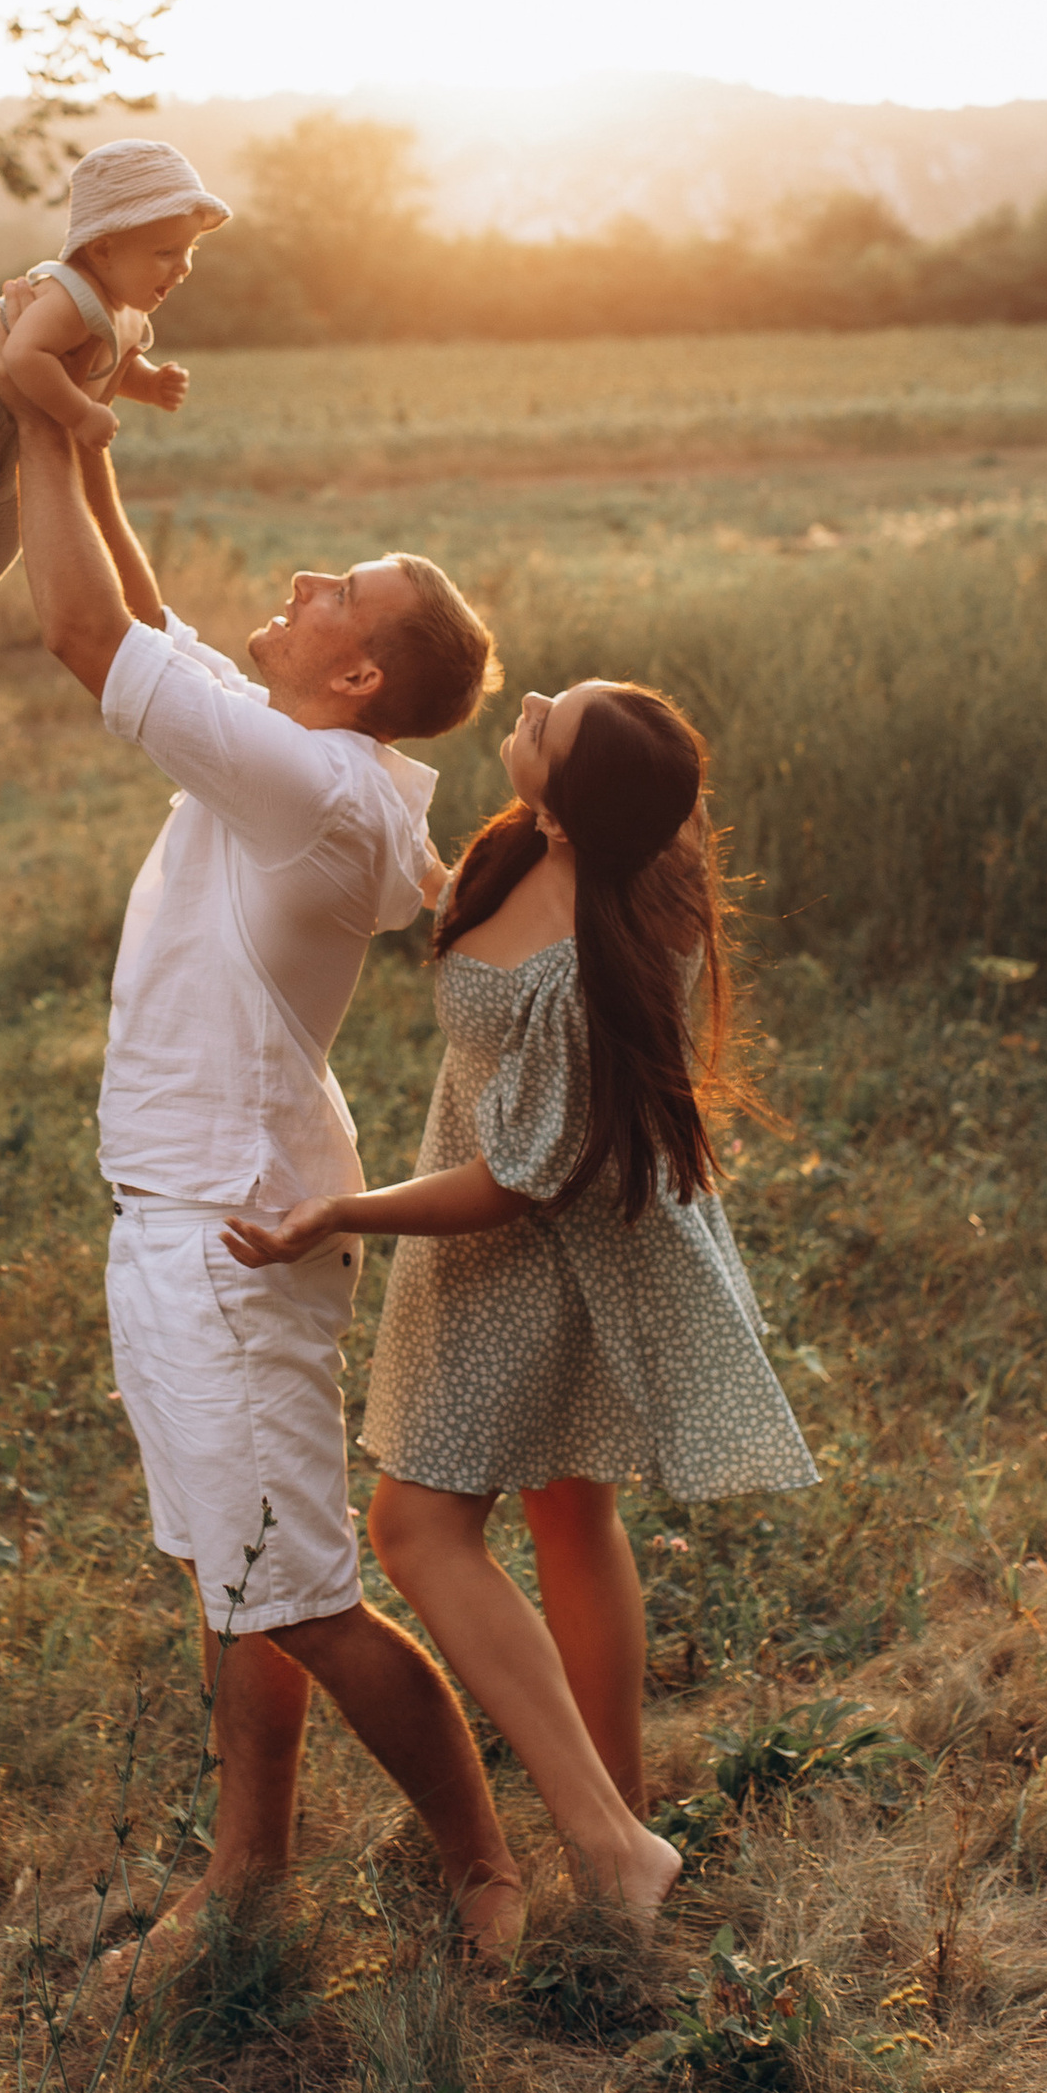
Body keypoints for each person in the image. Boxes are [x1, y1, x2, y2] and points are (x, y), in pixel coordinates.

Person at [0, 309, 528, 1964]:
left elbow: (78, 628)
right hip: (185, 1206)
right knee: (241, 1570)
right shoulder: (300, 760)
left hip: (229, 1226)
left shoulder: (315, 791)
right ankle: (248, 1876)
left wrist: (22, 409)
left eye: (337, 591)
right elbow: (140, 611)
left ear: (358, 677)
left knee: (299, 1585)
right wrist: (79, 433)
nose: (300, 586)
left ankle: (485, 1867)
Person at [224, 679, 816, 1936]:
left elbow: (512, 1183)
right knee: (565, 1501)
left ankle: (607, 1844)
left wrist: (341, 1213)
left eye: (547, 723)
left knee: (416, 1527)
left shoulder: (588, 964)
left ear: (569, 813)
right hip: (569, 1206)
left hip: (540, 1245)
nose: (533, 700)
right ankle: (623, 1821)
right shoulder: (581, 853)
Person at [0, 138, 230, 717]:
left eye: (189, 251)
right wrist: (81, 414)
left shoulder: (127, 312)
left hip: (17, 432)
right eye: (167, 251)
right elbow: (25, 359)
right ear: (104, 249)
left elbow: (111, 363)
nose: (183, 267)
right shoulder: (69, 294)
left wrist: (149, 384)